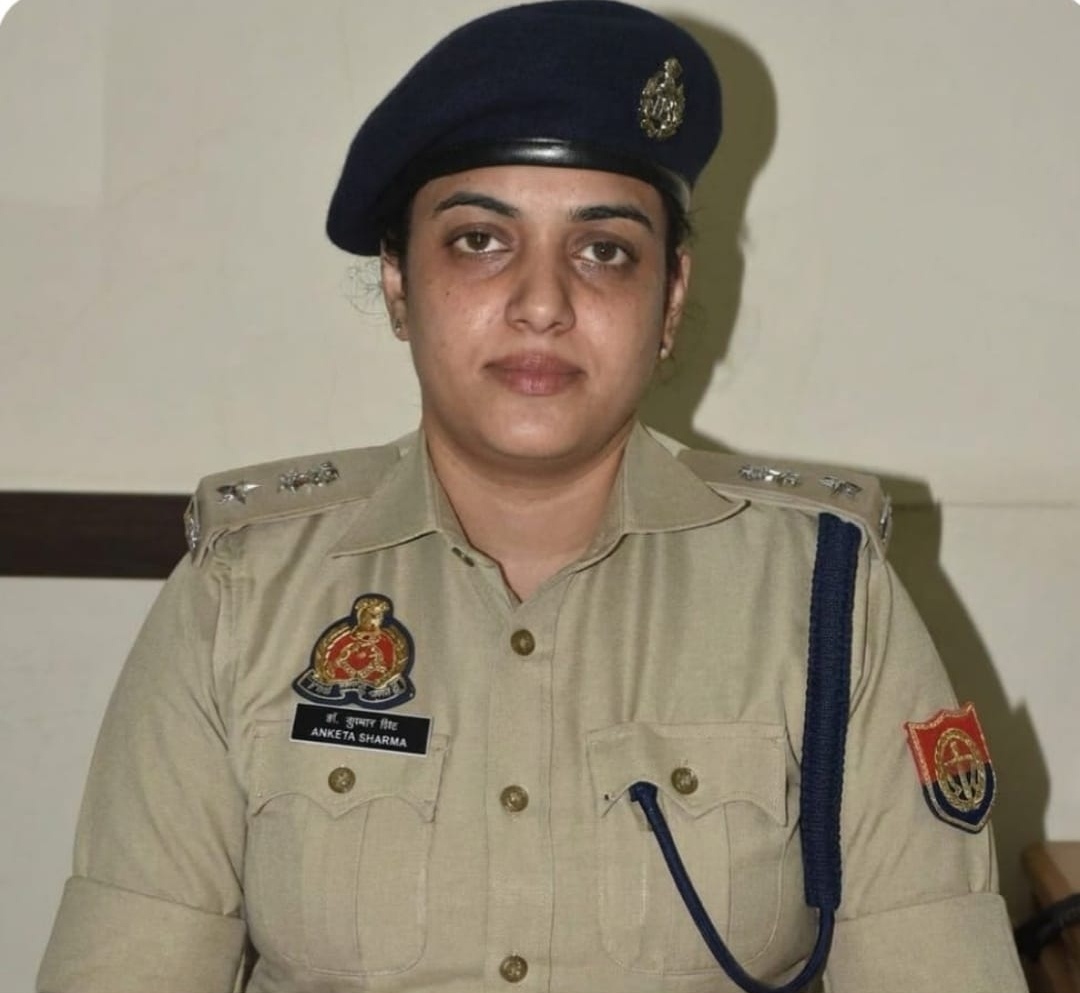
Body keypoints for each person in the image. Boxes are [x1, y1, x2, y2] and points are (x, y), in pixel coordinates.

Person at [37, 2, 1027, 991]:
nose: (543, 303)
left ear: (671, 296)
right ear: (398, 281)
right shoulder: (242, 593)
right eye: (479, 240)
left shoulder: (827, 597)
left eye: (604, 250)